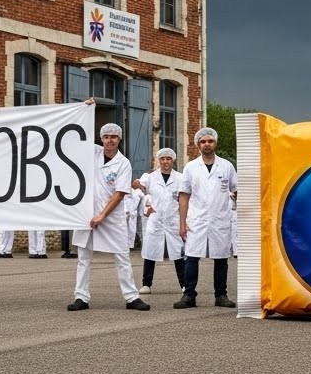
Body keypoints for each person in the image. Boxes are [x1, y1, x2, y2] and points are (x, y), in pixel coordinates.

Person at [66, 123, 149, 311]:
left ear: (119, 139)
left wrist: (102, 215)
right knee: (83, 258)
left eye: (113, 137)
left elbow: (119, 193)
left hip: (112, 217)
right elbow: (75, 139)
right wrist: (86, 107)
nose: (109, 140)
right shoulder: (93, 153)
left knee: (121, 256)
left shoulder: (123, 163)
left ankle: (131, 297)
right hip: (87, 214)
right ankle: (81, 297)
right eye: (106, 137)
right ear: (101, 139)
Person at [174, 127, 238, 309]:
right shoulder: (191, 167)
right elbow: (184, 195)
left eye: (210, 141)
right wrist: (182, 223)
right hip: (197, 220)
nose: (207, 144)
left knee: (221, 259)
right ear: (198, 145)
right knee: (192, 258)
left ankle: (221, 295)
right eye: (203, 142)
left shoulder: (226, 166)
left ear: (215, 143)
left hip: (220, 219)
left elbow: (236, 189)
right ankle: (189, 295)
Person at [136, 148, 185, 294]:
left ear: (173, 160)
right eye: (162, 159)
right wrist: (138, 184)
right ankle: (146, 284)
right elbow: (142, 188)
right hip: (156, 220)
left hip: (173, 220)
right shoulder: (150, 177)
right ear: (159, 160)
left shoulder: (180, 178)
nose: (165, 162)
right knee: (150, 252)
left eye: (168, 159)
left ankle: (184, 284)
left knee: (179, 254)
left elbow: (185, 199)